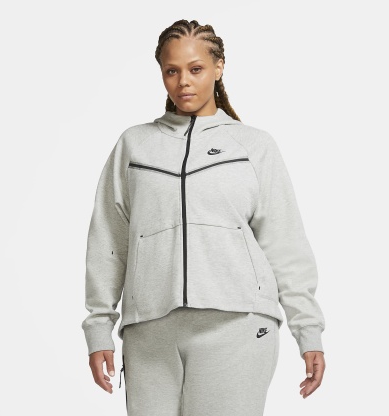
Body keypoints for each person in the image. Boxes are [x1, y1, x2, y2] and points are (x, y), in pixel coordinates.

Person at [81, 19, 326, 416]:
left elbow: (284, 243)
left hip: (238, 326)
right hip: (149, 332)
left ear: (218, 67)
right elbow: (109, 240)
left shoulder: (252, 146)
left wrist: (308, 330)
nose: (183, 82)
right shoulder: (135, 145)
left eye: (195, 69)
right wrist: (98, 327)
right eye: (171, 71)